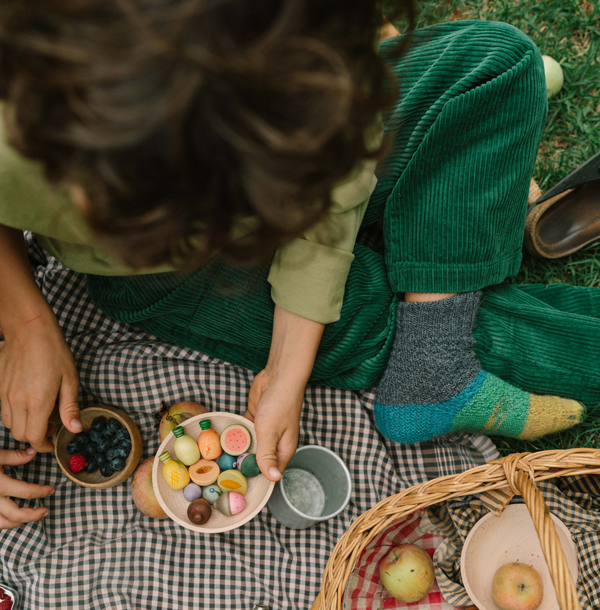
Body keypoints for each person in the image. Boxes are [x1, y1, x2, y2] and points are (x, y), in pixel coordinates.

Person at [0, 1, 589, 530]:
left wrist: (288, 365)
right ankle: (446, 258)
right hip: (160, 271)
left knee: (495, 62)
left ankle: (434, 342)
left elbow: (334, 162)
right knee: (388, 317)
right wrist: (25, 318)